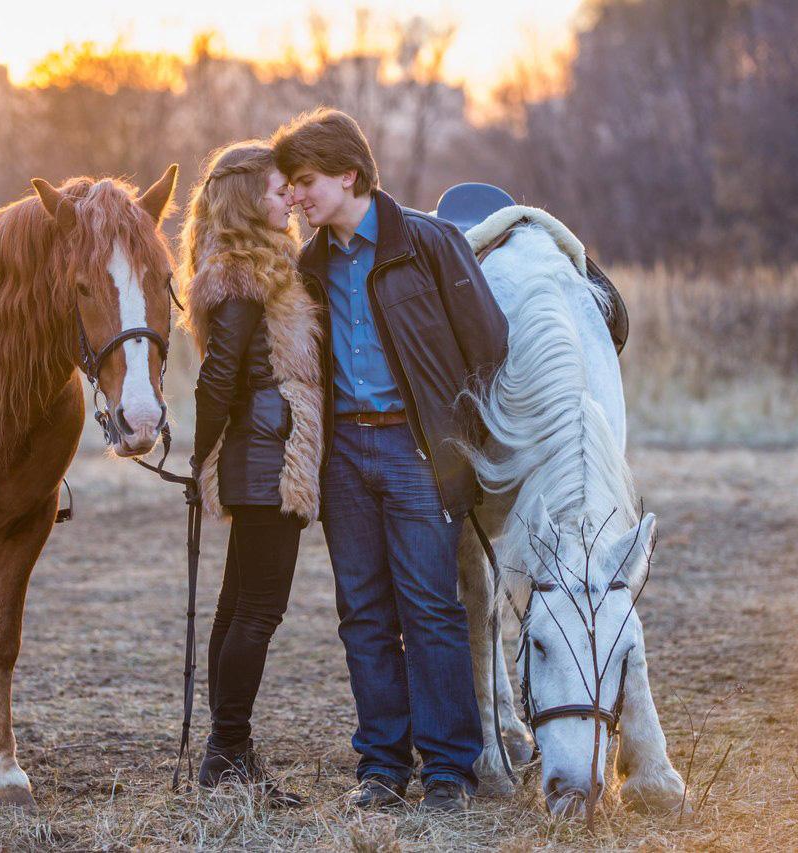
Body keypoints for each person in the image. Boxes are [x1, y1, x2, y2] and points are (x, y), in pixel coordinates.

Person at [271, 108, 509, 813]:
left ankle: (448, 774)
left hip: (415, 449)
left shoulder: (429, 244)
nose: (295, 197)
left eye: (305, 181)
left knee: (431, 607)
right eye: (288, 185)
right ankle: (380, 769)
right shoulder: (309, 265)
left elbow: (489, 342)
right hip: (344, 454)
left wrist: (449, 435)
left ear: (350, 175)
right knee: (364, 613)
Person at [179, 140, 324, 807]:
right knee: (258, 609)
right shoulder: (243, 272)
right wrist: (197, 454)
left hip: (260, 451)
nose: (287, 199)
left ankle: (226, 751)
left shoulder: (252, 265)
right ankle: (227, 751)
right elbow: (220, 376)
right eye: (275, 190)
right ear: (245, 200)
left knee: (239, 606)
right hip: (273, 457)